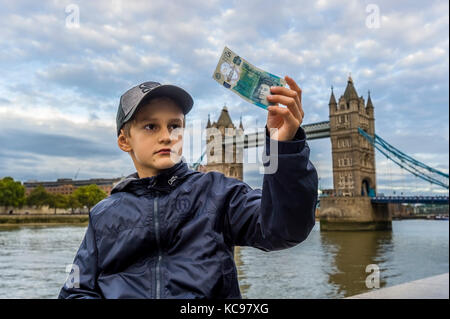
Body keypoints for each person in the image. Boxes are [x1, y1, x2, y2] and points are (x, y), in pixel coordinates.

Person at [58, 76, 318, 299]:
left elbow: (284, 228)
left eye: (175, 126)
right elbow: (76, 290)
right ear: (125, 141)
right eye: (150, 126)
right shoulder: (104, 214)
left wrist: (284, 147)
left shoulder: (219, 193)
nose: (166, 136)